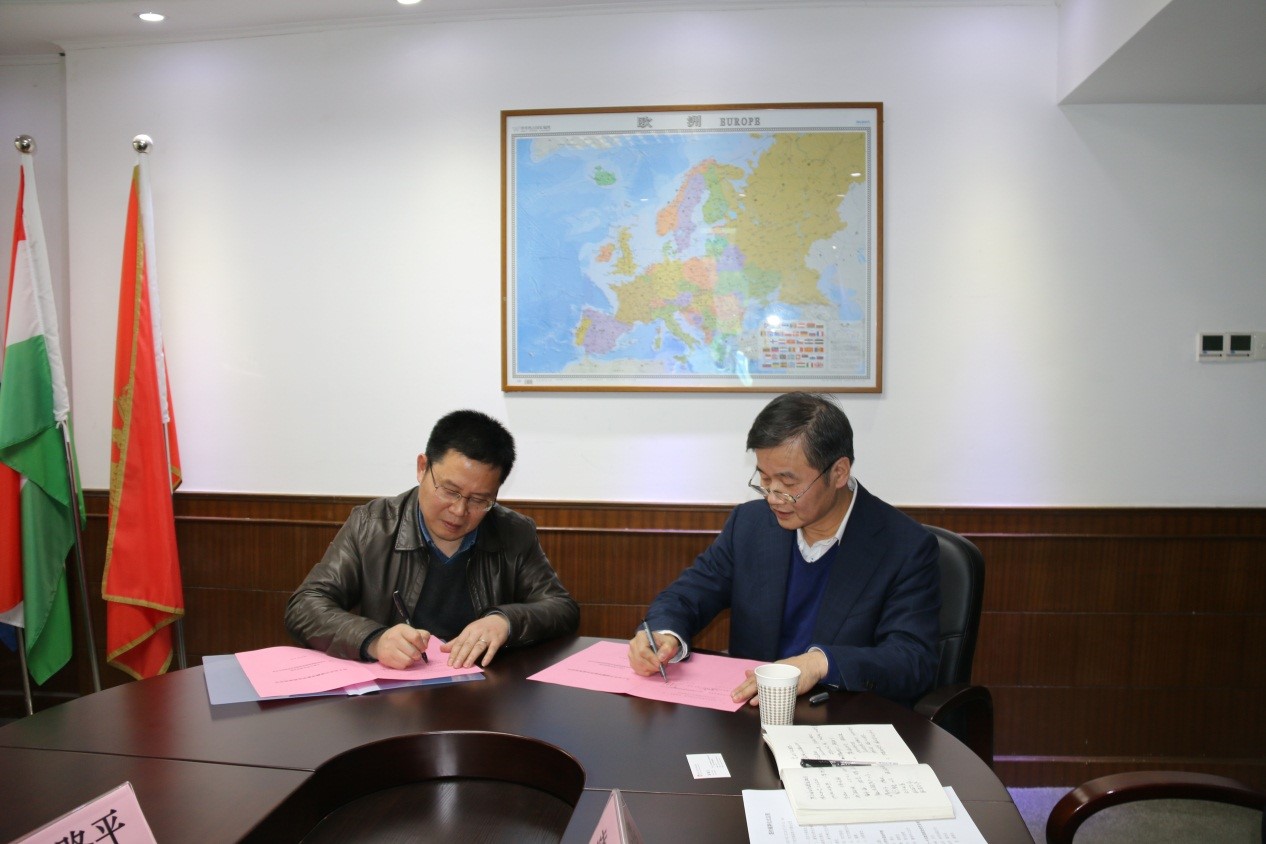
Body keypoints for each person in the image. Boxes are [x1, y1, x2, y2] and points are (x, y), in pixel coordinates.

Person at [627, 392, 939, 709]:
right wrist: (663, 634)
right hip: (749, 715)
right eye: (765, 478)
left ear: (839, 472)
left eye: (788, 484)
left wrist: (820, 663)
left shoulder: (904, 546)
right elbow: (688, 594)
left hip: (842, 719)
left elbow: (912, 660)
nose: (773, 497)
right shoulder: (750, 524)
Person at [286, 410, 579, 670]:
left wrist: (506, 621)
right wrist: (374, 639)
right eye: (449, 491)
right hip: (395, 694)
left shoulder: (513, 532)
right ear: (422, 467)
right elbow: (305, 605)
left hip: (486, 693)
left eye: (480, 500)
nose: (459, 511)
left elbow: (561, 608)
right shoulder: (371, 526)